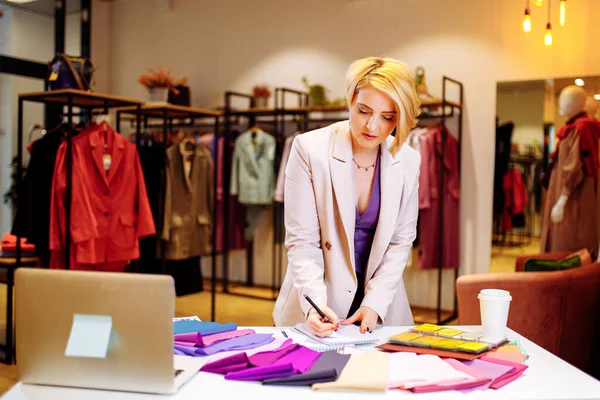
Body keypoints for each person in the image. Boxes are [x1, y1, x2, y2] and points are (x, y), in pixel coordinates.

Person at [272, 56, 421, 337]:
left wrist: (375, 303)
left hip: (381, 304)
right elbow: (302, 242)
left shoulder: (408, 160)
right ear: (351, 99)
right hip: (318, 297)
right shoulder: (309, 149)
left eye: (387, 117)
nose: (372, 127)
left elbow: (401, 241)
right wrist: (313, 305)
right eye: (364, 111)